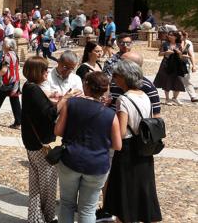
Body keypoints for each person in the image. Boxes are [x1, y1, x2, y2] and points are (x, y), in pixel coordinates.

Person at [54, 71, 122, 223]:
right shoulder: (110, 115)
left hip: (70, 159)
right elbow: (117, 145)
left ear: (86, 85)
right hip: (97, 164)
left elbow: (58, 131)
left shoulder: (71, 104)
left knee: (66, 204)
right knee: (87, 209)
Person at [104, 60, 162, 223]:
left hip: (128, 151)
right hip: (144, 148)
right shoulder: (145, 95)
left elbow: (121, 132)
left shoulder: (123, 99)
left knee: (125, 195)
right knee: (144, 189)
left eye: (116, 76)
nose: (114, 79)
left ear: (124, 77)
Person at [21, 57, 65, 223]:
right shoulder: (33, 89)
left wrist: (52, 97)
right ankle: (46, 217)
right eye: (44, 70)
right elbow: (50, 114)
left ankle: (36, 217)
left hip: (32, 140)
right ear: (36, 72)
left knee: (35, 181)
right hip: (41, 143)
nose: (47, 73)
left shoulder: (29, 87)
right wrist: (65, 100)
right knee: (47, 182)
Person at [153, 30, 192, 104]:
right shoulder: (165, 44)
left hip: (176, 64)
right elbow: (160, 54)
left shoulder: (179, 44)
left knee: (178, 81)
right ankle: (167, 99)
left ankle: (175, 98)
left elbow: (181, 56)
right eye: (169, 35)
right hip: (166, 64)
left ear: (175, 36)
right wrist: (166, 52)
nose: (169, 36)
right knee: (167, 80)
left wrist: (180, 53)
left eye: (171, 35)